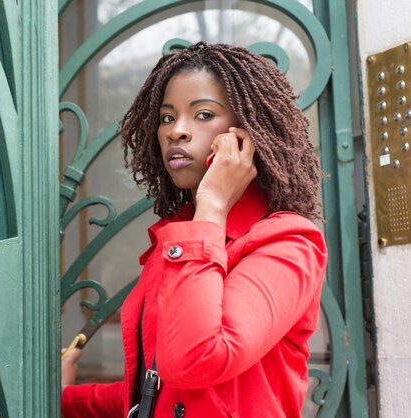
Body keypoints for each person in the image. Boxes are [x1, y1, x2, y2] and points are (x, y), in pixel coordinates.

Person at [61, 41, 327, 418]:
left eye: (203, 114)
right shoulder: (179, 238)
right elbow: (159, 389)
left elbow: (197, 359)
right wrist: (62, 397)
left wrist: (214, 204)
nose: (176, 132)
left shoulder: (288, 242)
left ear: (247, 134)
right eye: (167, 117)